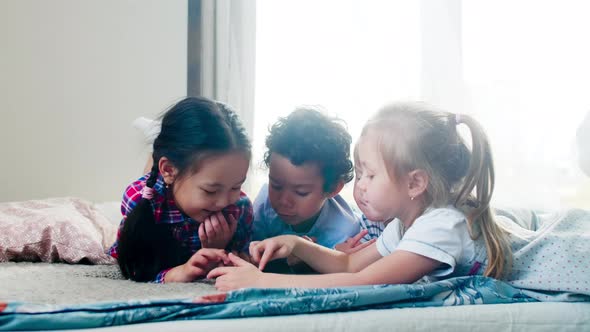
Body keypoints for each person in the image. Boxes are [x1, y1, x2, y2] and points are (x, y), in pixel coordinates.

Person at [207, 102, 513, 290]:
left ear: (415, 183)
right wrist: (295, 244)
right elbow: (350, 265)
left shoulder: (441, 226)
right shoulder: (407, 224)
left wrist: (263, 283)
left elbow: (363, 282)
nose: (361, 185)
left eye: (370, 174)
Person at [108, 97, 253, 283]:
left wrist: (219, 251)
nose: (225, 201)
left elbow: (241, 264)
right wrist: (176, 273)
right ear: (168, 170)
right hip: (163, 191)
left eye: (236, 186)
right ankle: (155, 146)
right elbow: (135, 267)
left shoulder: (239, 208)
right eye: (211, 190)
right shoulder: (141, 200)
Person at [251, 108, 374, 270]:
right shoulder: (264, 202)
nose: (284, 201)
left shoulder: (345, 230)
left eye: (301, 192)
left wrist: (314, 257)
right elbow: (249, 255)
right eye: (276, 185)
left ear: (332, 189)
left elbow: (338, 271)